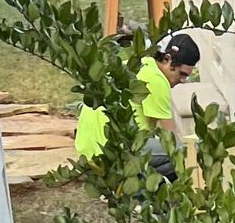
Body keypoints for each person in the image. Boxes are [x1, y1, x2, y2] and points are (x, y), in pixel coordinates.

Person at [74, 32, 201, 176]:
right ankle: (137, 194)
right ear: (167, 59)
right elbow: (170, 136)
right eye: (182, 74)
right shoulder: (156, 79)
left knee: (167, 158)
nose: (183, 80)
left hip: (90, 150)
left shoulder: (143, 65)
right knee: (181, 155)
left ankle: (134, 190)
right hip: (111, 151)